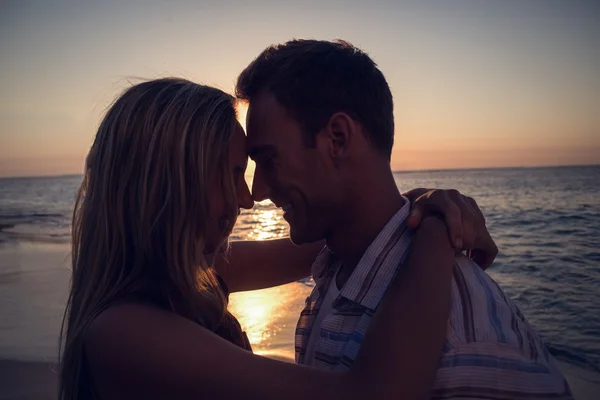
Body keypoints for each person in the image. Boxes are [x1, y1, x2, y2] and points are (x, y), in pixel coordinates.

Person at [59, 78, 494, 399]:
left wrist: (419, 204)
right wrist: (435, 234)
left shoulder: (190, 276)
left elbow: (343, 234)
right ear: (174, 183)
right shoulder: (123, 333)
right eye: (233, 174)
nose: (249, 198)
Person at [234, 39, 573, 398]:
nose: (257, 192)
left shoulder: (459, 343)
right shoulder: (341, 268)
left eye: (268, 160)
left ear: (337, 137)